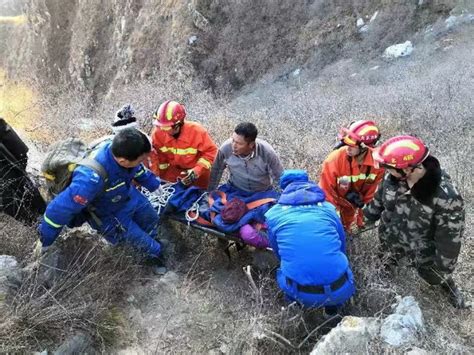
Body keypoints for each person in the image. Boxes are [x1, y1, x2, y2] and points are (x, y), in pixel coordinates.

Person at [39, 129, 166, 273]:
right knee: (146, 246)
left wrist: (152, 183)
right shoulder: (89, 180)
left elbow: (137, 169)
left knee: (152, 220)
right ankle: (153, 262)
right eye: (140, 160)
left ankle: (156, 244)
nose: (141, 162)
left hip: (128, 197)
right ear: (123, 161)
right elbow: (58, 211)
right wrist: (46, 240)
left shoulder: (120, 149)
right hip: (111, 217)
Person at [364, 135, 468, 308]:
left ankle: (448, 287)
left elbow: (449, 240)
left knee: (434, 276)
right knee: (385, 262)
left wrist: (442, 270)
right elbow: (377, 202)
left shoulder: (447, 197)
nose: (386, 171)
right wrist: (367, 218)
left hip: (422, 250)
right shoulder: (391, 178)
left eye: (389, 168)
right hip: (390, 238)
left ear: (409, 169)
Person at [265, 170, 356, 315]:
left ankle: (299, 312)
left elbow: (278, 253)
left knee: (282, 270)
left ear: (284, 189)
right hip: (341, 289)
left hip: (302, 294)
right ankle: (332, 313)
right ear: (308, 184)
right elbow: (341, 245)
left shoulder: (273, 215)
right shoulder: (329, 209)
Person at [319, 120, 384, 232]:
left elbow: (372, 195)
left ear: (365, 147)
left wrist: (363, 221)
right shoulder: (334, 160)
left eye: (352, 145)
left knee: (351, 230)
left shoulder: (377, 165)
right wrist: (332, 221)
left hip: (356, 204)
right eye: (347, 142)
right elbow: (326, 193)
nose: (347, 147)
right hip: (336, 201)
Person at [149, 100, 218, 189]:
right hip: (172, 174)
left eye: (166, 127)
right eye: (160, 126)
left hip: (198, 176)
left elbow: (211, 152)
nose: (163, 130)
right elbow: (158, 159)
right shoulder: (157, 134)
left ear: (178, 124)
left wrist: (197, 171)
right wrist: (159, 180)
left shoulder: (196, 131)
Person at [208, 122, 283, 192]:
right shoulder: (225, 148)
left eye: (239, 143)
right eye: (233, 140)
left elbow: (279, 178)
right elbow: (215, 172)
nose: (233, 146)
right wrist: (210, 194)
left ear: (251, 144)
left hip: (262, 193)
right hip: (234, 191)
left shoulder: (267, 153)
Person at [0, 117, 45, 224]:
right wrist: (21, 157)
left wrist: (21, 157)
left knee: (13, 203)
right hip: (10, 166)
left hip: (9, 166)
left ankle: (39, 226)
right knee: (25, 190)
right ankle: (46, 223)